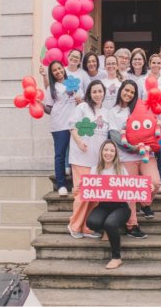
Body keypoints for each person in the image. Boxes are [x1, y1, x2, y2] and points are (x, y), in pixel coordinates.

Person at [108, 80, 161, 239]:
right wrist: (132, 148)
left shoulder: (141, 108)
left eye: (132, 92)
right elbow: (115, 135)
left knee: (155, 183)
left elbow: (152, 127)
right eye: (126, 90)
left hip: (147, 155)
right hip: (126, 156)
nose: (129, 94)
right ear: (121, 90)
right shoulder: (113, 112)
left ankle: (145, 204)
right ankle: (132, 225)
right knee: (129, 192)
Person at [67, 80, 109, 239]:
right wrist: (79, 142)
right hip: (81, 158)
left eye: (100, 91)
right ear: (90, 94)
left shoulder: (106, 112)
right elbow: (72, 127)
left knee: (94, 195)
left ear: (104, 93)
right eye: (94, 92)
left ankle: (87, 227)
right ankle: (74, 225)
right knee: (82, 193)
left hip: (97, 162)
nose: (98, 94)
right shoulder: (82, 107)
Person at [39, 61, 84, 196]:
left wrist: (80, 101)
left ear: (63, 69)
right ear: (51, 73)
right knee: (60, 155)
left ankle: (77, 184)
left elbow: (83, 103)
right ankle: (61, 185)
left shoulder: (75, 83)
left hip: (75, 124)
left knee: (77, 153)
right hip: (59, 124)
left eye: (59, 68)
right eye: (54, 70)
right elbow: (49, 109)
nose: (58, 71)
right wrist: (40, 104)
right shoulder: (52, 88)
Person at [85, 140, 131, 269]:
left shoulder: (121, 169)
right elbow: (91, 191)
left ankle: (116, 257)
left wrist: (145, 189)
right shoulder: (95, 169)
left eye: (112, 150)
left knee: (110, 223)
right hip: (104, 206)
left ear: (115, 153)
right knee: (91, 223)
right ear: (101, 152)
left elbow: (130, 190)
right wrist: (84, 186)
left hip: (121, 207)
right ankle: (109, 227)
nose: (108, 153)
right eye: (106, 150)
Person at [140, 54, 161, 194]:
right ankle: (147, 182)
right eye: (154, 63)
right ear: (149, 63)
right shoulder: (142, 80)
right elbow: (141, 100)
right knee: (146, 152)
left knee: (160, 153)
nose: (156, 65)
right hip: (146, 122)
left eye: (159, 63)